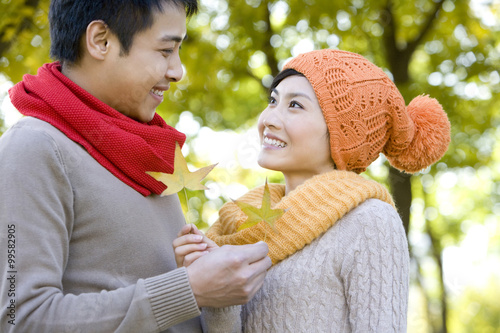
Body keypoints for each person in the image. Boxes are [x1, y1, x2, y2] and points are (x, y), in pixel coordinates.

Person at [0, 1, 271, 332]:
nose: (177, 71)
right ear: (101, 40)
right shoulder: (36, 147)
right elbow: (20, 319)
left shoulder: (148, 155)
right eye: (165, 50)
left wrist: (214, 291)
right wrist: (190, 289)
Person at [174, 49, 451, 332]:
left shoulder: (370, 222)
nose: (269, 118)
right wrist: (216, 284)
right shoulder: (241, 224)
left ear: (343, 134)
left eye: (295, 105)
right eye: (273, 100)